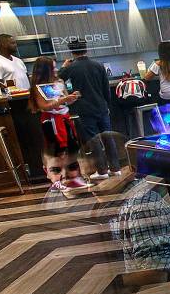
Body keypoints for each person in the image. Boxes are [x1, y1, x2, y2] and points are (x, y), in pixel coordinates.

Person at [58, 39, 120, 180]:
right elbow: (106, 88)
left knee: (94, 139)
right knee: (107, 136)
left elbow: (57, 78)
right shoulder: (98, 65)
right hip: (102, 106)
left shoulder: (72, 67)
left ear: (71, 51)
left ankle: (102, 171)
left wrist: (64, 66)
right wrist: (107, 105)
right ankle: (116, 168)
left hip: (85, 109)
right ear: (86, 49)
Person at [28, 56, 90, 193]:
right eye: (53, 67)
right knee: (57, 152)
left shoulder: (59, 82)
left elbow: (65, 101)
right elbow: (45, 106)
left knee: (72, 149)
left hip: (65, 118)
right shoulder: (38, 88)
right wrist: (64, 99)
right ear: (46, 70)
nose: (56, 69)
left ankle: (74, 178)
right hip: (51, 121)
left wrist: (71, 98)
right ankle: (57, 181)